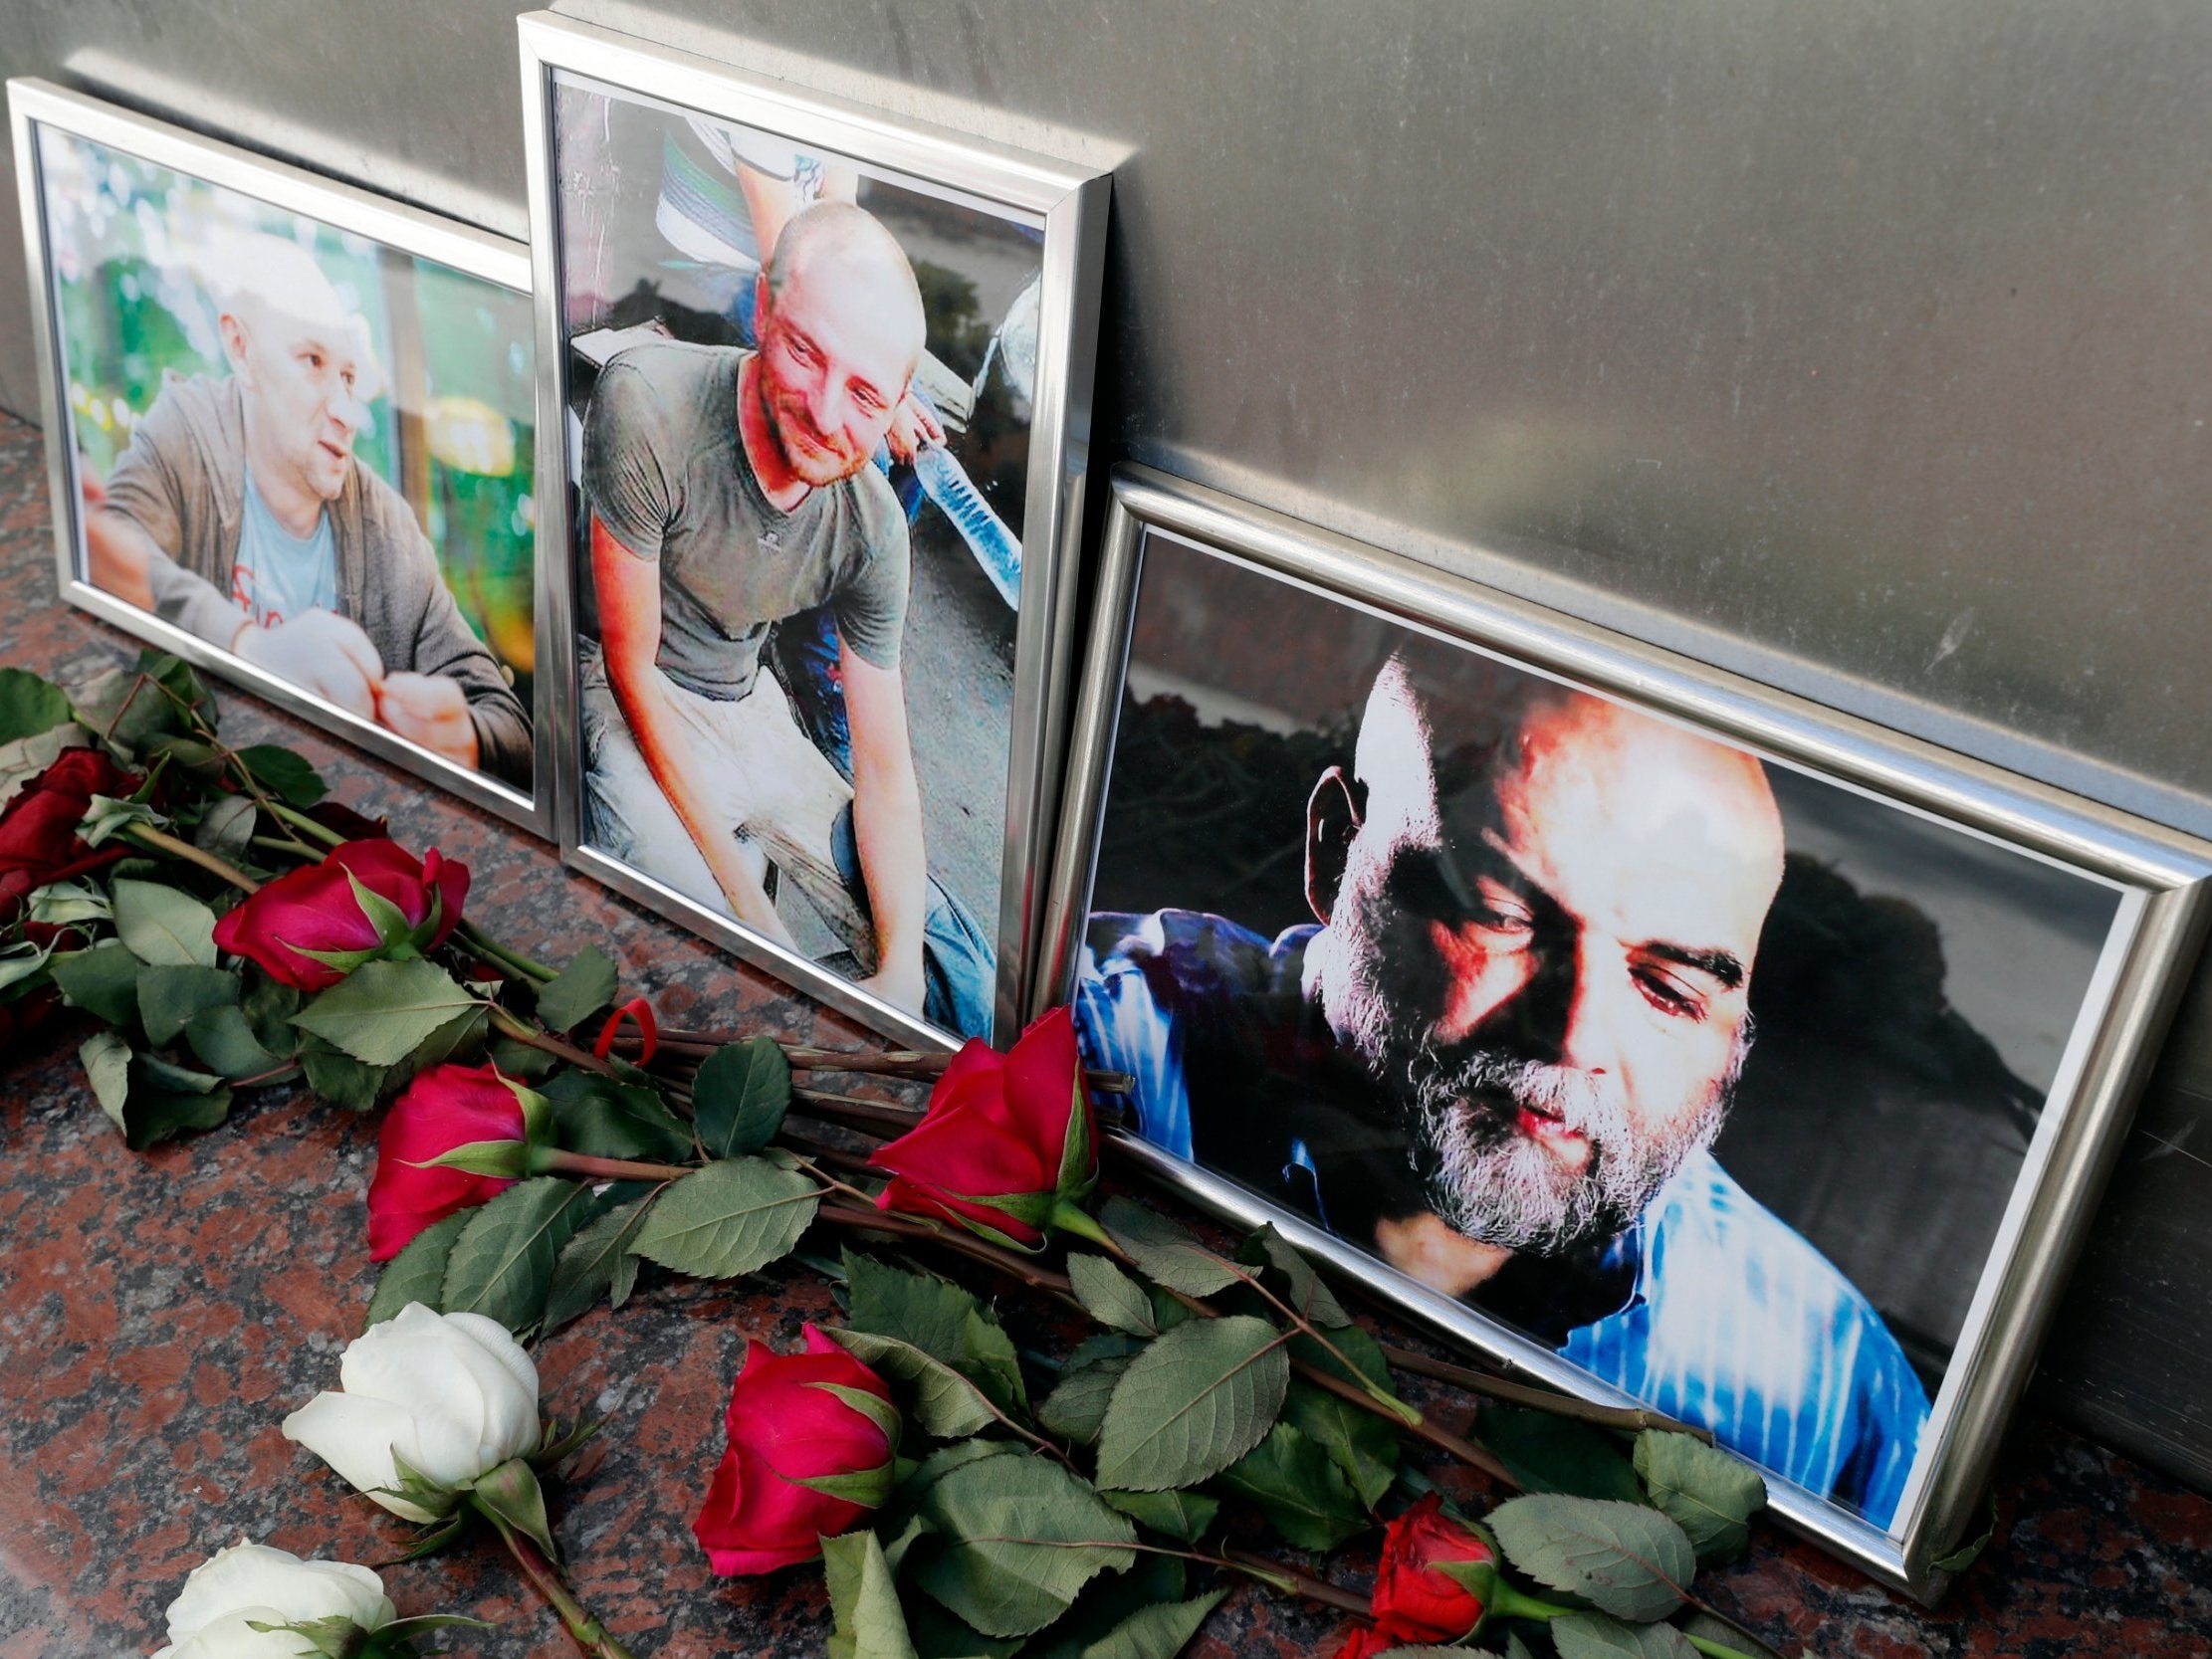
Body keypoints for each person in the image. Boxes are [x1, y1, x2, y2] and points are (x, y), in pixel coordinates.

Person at [1075, 646, 1931, 1528]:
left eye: (1669, 989)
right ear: (1337, 854)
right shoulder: (1074, 1051)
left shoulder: (1839, 1406)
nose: (1576, 1037)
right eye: (1503, 917)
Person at [577, 200, 992, 1036]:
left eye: (867, 392)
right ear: (764, 313)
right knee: (717, 982)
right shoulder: (649, 404)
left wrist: (903, 971)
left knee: (958, 972)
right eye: (806, 352)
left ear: (900, 404)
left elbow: (883, 768)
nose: (831, 412)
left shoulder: (873, 528)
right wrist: (756, 922)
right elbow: (631, 666)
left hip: (746, 706)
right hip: (635, 690)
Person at [81, 234, 531, 786]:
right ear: (240, 349)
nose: (346, 411)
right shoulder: (189, 429)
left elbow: (508, 723)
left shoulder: (383, 524)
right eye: (312, 361)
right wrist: (252, 649)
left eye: (348, 376)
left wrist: (467, 740)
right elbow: (107, 553)